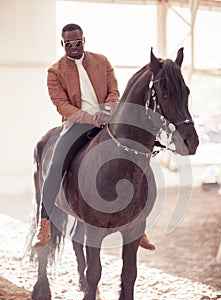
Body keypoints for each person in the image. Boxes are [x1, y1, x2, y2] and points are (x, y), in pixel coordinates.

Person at [34, 23, 155, 251]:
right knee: (56, 164)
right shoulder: (55, 72)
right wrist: (89, 118)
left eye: (77, 42)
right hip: (77, 124)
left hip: (108, 118)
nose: (73, 47)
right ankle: (45, 223)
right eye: (68, 44)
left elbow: (114, 91)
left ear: (83, 41)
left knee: (138, 158)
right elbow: (62, 105)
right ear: (63, 44)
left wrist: (107, 111)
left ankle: (139, 224)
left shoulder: (102, 61)